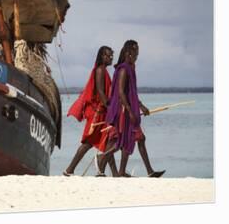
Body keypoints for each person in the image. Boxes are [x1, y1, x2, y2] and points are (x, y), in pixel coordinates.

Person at [97, 40, 165, 178]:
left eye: (138, 53)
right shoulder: (123, 69)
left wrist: (141, 106)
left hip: (129, 109)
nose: (137, 56)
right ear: (128, 53)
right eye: (135, 53)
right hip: (123, 111)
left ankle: (142, 171)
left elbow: (131, 92)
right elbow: (121, 93)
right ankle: (103, 160)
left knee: (136, 139)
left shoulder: (130, 68)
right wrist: (130, 111)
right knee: (121, 141)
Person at [63, 46, 118, 177]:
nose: (110, 58)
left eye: (111, 56)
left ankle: (110, 172)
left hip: (102, 111)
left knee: (107, 140)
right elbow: (100, 91)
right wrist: (110, 107)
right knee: (89, 141)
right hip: (97, 113)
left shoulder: (104, 70)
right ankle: (69, 170)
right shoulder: (100, 70)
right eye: (108, 55)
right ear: (101, 56)